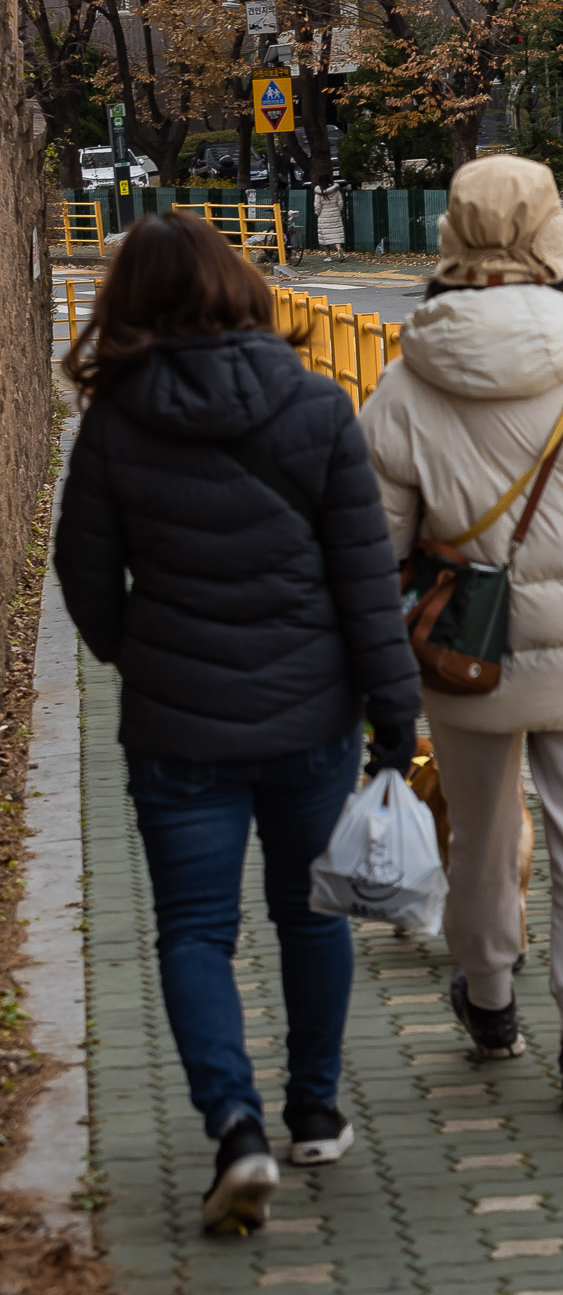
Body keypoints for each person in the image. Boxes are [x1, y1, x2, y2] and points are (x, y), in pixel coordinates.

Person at [55, 213, 419, 1235]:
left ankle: (235, 1127)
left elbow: (83, 573)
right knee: (311, 912)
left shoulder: (118, 421)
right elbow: (364, 581)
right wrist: (395, 712)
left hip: (178, 726)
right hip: (313, 714)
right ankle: (314, 1109)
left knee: (194, 931)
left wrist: (141, 653)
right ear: (240, 288)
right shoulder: (314, 406)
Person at [359, 156, 563, 1111]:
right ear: (553, 241)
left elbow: (372, 544)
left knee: (479, 832)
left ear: (451, 242)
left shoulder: (406, 386)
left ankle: (492, 1001)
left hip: (465, 650)